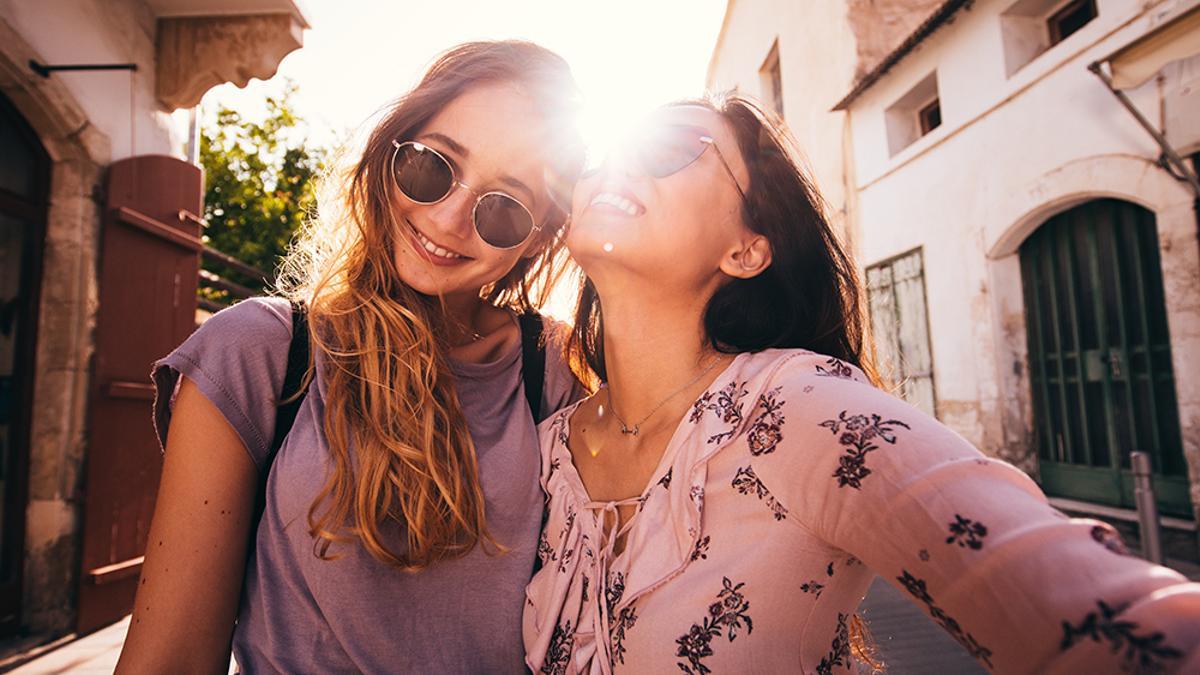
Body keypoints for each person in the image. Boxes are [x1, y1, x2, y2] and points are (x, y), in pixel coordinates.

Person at [523, 95, 1200, 674]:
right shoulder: (543, 450)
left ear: (747, 249)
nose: (620, 162)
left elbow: (1079, 602)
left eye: (674, 145)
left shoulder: (796, 409)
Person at [116, 40, 587, 674]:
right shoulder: (258, 353)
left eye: (505, 207)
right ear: (388, 151)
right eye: (433, 165)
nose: (448, 220)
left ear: (536, 241)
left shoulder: (557, 372)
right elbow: (169, 659)